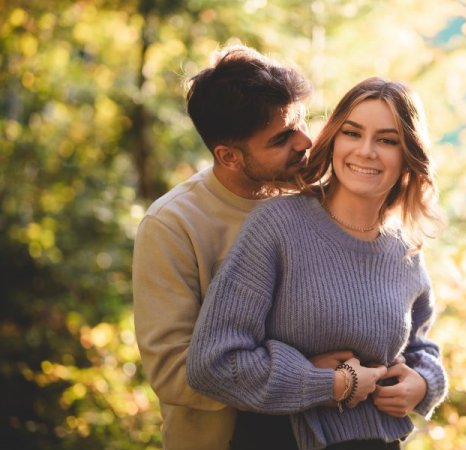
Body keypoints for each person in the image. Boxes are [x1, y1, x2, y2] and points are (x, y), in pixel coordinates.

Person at [187, 77, 448, 450]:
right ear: (334, 139)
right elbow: (214, 364)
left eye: (387, 140)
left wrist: (423, 384)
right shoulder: (278, 226)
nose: (366, 151)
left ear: (409, 154)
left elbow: (421, 347)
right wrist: (332, 383)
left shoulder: (404, 248)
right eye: (353, 133)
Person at [132, 44, 353, 450]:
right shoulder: (172, 226)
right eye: (282, 137)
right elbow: (172, 371)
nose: (305, 141)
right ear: (229, 156)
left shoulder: (317, 199)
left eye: (301, 121)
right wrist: (306, 375)